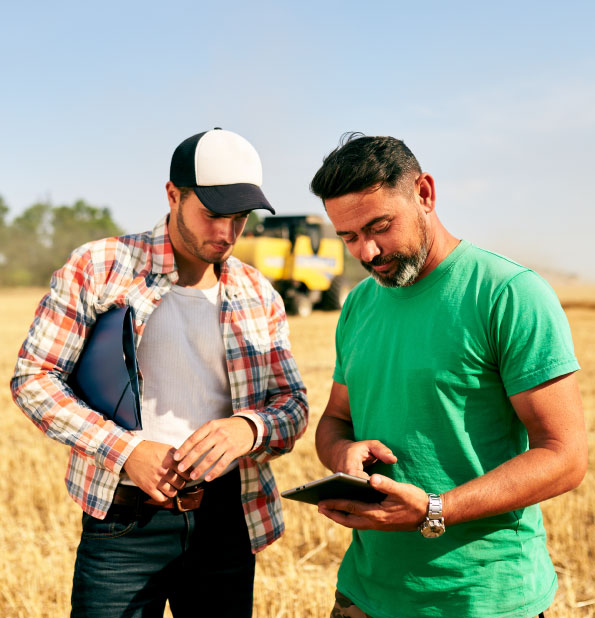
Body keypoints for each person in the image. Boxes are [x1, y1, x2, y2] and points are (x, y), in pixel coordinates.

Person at [10, 127, 308, 618]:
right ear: (173, 194)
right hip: (123, 526)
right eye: (212, 215)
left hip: (227, 522)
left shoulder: (260, 292)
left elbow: (293, 404)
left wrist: (248, 430)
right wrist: (125, 451)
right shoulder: (99, 266)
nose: (227, 234)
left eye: (240, 219)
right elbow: (34, 378)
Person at [309, 133, 587, 618]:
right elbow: (335, 419)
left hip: (483, 600)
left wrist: (435, 509)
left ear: (425, 194)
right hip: (364, 595)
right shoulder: (359, 304)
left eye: (380, 226)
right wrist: (341, 452)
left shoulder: (509, 294)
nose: (367, 252)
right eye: (349, 237)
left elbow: (565, 456)